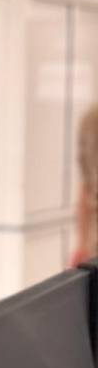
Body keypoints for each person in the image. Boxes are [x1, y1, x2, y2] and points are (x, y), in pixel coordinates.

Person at [71, 103, 98, 267]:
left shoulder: (91, 120)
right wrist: (82, 246)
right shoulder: (92, 121)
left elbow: (86, 189)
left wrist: (82, 245)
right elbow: (87, 189)